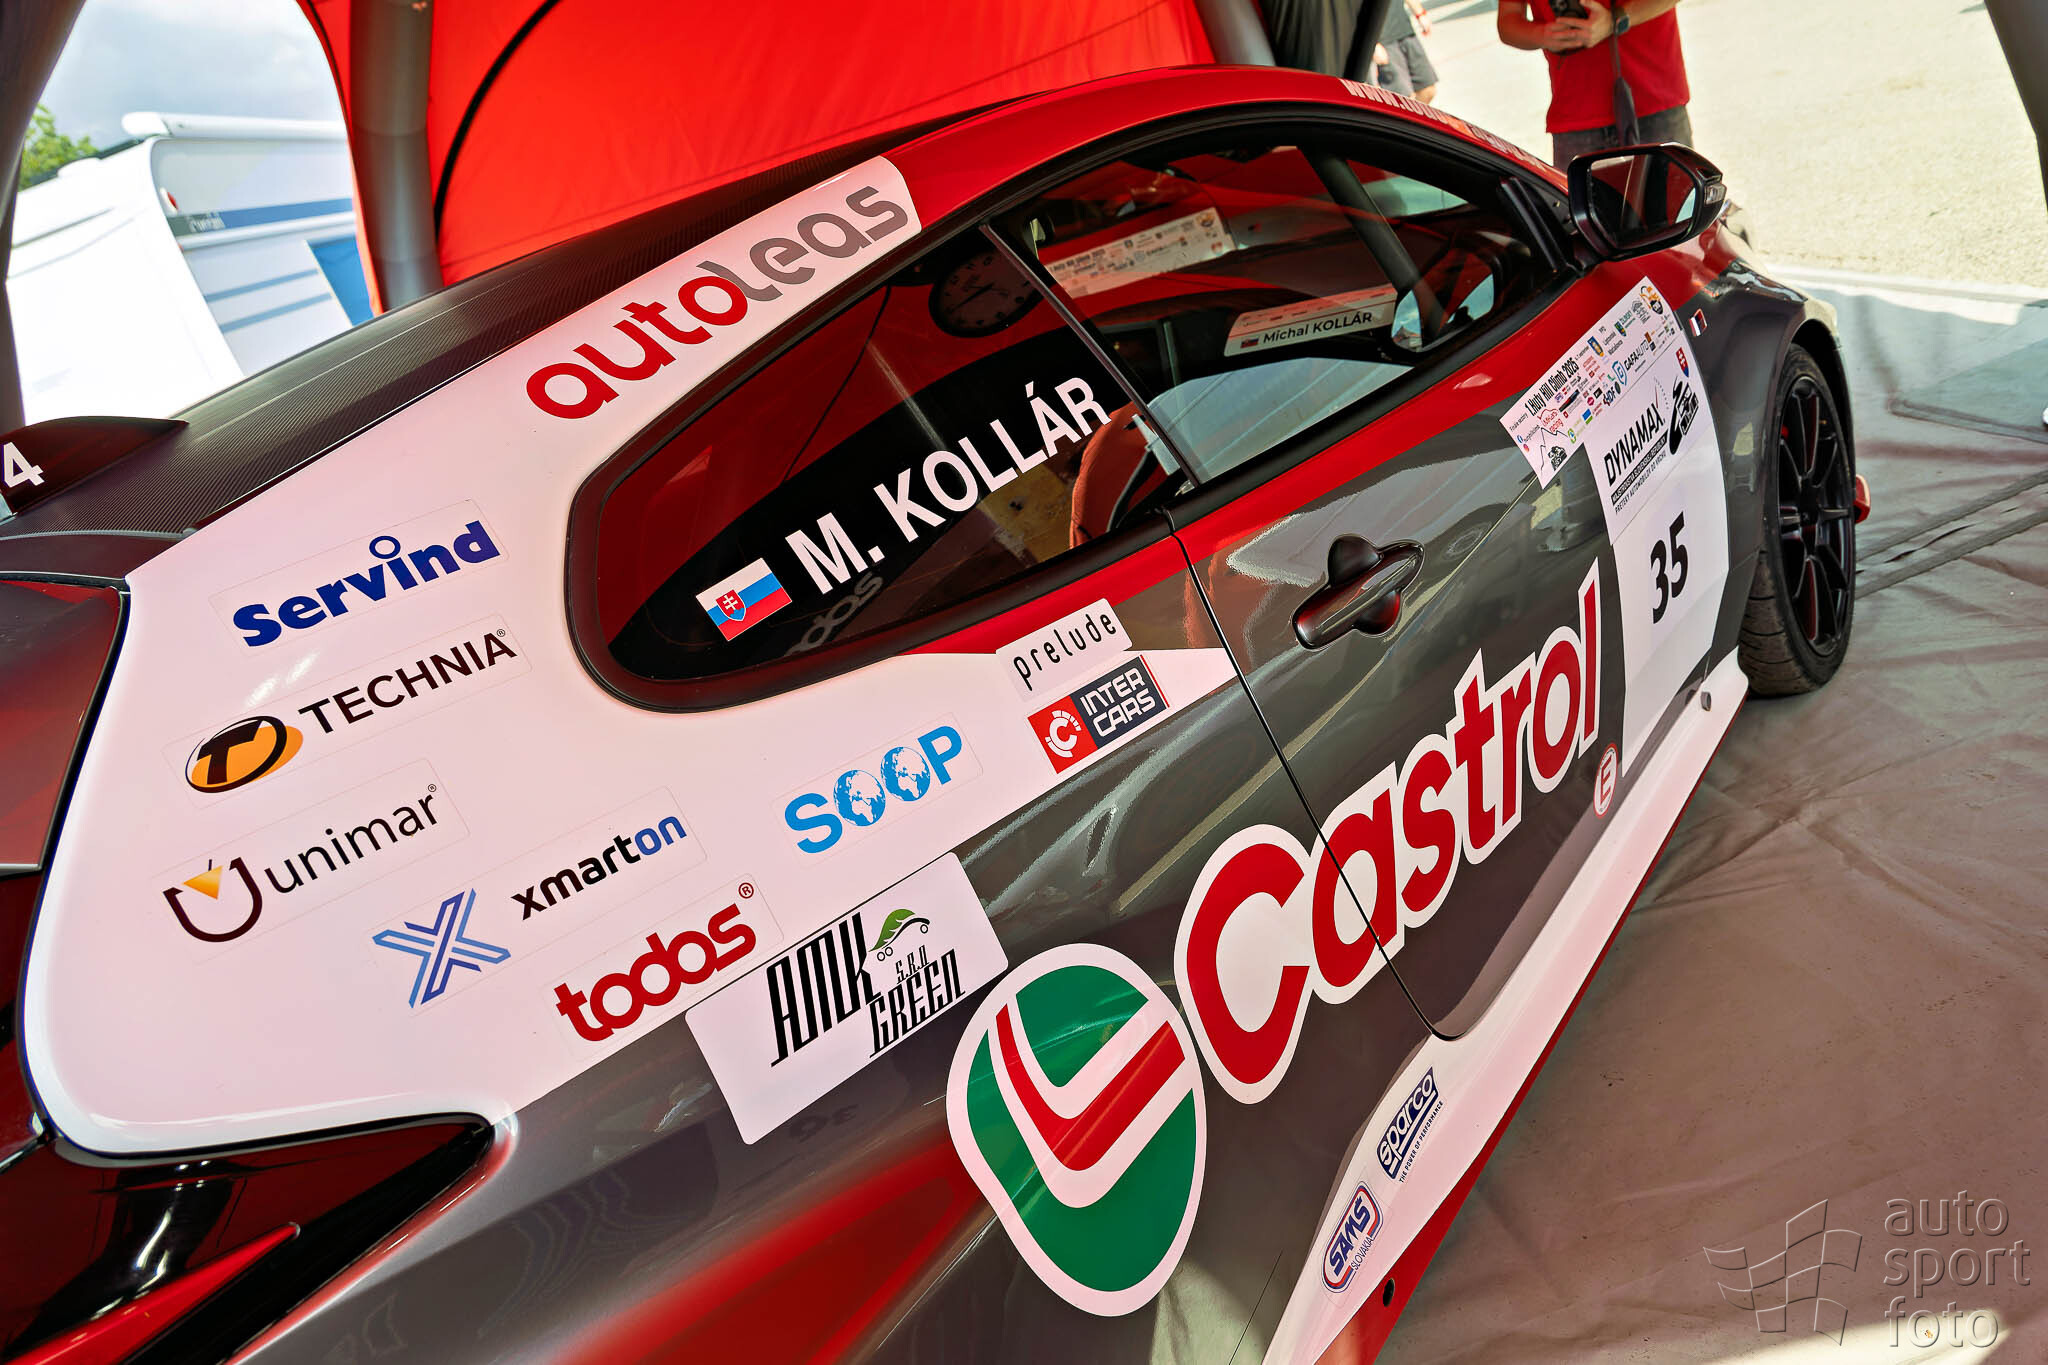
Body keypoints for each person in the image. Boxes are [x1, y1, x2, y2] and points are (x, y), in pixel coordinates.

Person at [1496, 0, 1689, 169]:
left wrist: (1615, 20)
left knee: (1678, 198)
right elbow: (1508, 20)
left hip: (1656, 100)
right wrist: (1542, 35)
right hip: (1575, 115)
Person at [1371, 1, 1439, 105]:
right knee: (1403, 99)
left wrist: (1420, 13)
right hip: (1384, 42)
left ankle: (1413, 114)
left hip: (1405, 31)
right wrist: (1372, 44)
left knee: (1428, 90)